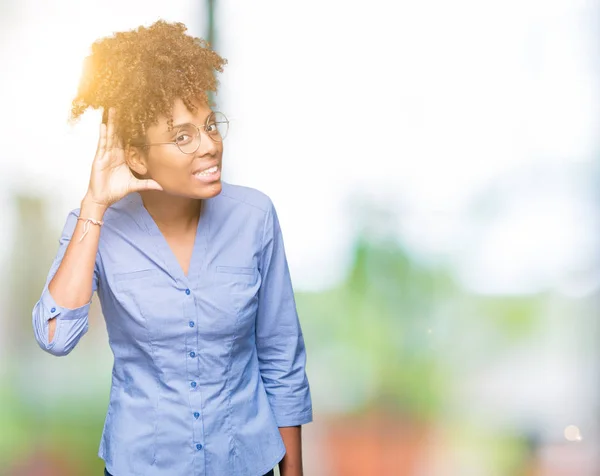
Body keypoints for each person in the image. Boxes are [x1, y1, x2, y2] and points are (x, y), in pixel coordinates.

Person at [31, 20, 312, 476]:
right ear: (137, 157)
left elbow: (281, 357)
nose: (209, 146)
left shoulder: (255, 217)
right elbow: (55, 337)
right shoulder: (96, 226)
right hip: (143, 464)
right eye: (182, 136)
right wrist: (94, 203)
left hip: (246, 462)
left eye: (208, 125)